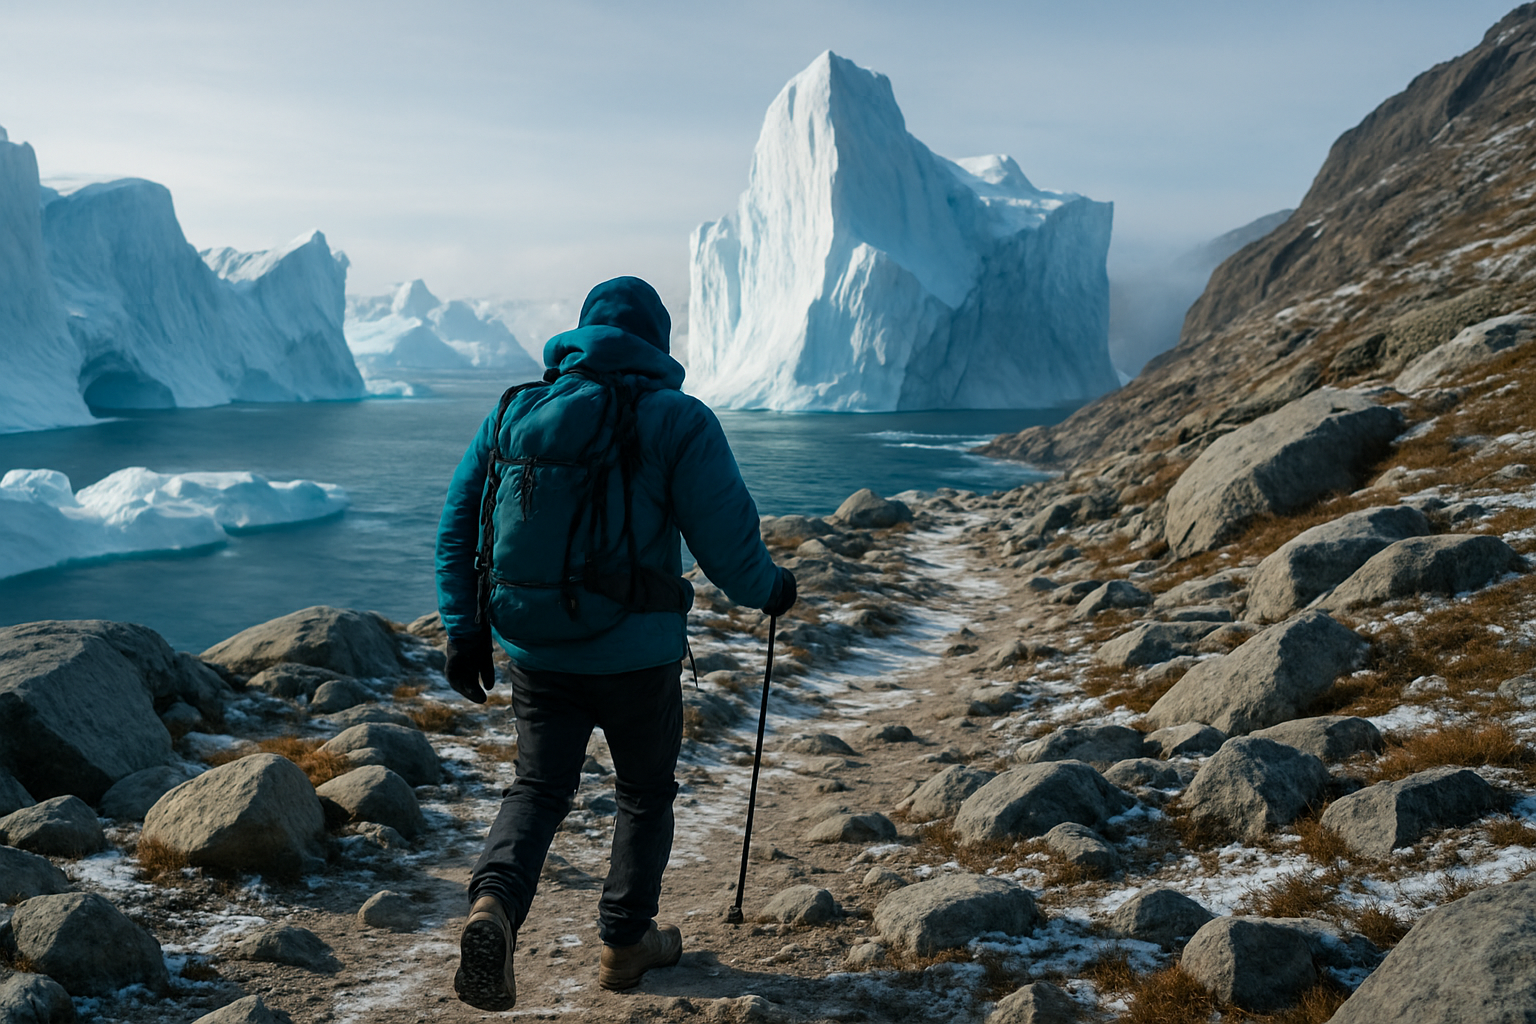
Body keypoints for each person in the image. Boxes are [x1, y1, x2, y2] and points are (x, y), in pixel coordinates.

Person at [434, 276, 796, 1011]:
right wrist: (773, 590)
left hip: (536, 650)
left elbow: (457, 524)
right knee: (643, 794)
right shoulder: (677, 420)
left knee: (537, 790)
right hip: (638, 659)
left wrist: (462, 630)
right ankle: (626, 943)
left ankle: (494, 908)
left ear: (582, 333)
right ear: (655, 341)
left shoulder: (514, 410)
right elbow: (727, 546)